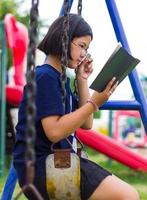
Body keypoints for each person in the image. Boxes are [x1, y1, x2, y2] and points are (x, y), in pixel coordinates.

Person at [13, 13, 139, 200]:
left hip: (59, 160)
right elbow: (54, 131)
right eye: (81, 46)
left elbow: (86, 124)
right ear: (62, 40)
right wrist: (94, 102)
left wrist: (82, 80)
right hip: (43, 165)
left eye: (87, 49)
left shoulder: (61, 79)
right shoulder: (45, 77)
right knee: (127, 195)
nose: (84, 54)